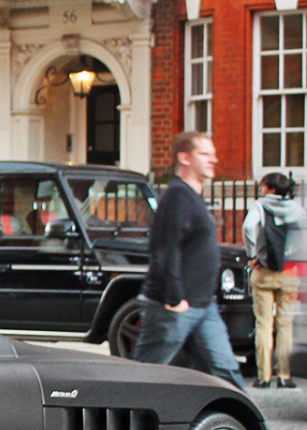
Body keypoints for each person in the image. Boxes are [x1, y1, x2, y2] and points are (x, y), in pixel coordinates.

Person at [131, 132, 245, 391]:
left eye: (212, 154)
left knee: (226, 373)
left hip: (202, 306)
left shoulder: (193, 198)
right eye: (204, 154)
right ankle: (115, 427)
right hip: (172, 308)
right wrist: (174, 299)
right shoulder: (177, 197)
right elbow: (165, 249)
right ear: (184, 157)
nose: (213, 160)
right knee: (144, 376)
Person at [242, 171, 306, 388]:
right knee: (285, 325)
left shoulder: (259, 206)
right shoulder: (297, 209)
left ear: (270, 188)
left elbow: (249, 226)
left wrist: (253, 254)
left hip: (264, 270)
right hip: (288, 271)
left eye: (262, 186)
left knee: (263, 324)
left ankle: (264, 376)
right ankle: (285, 376)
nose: (260, 189)